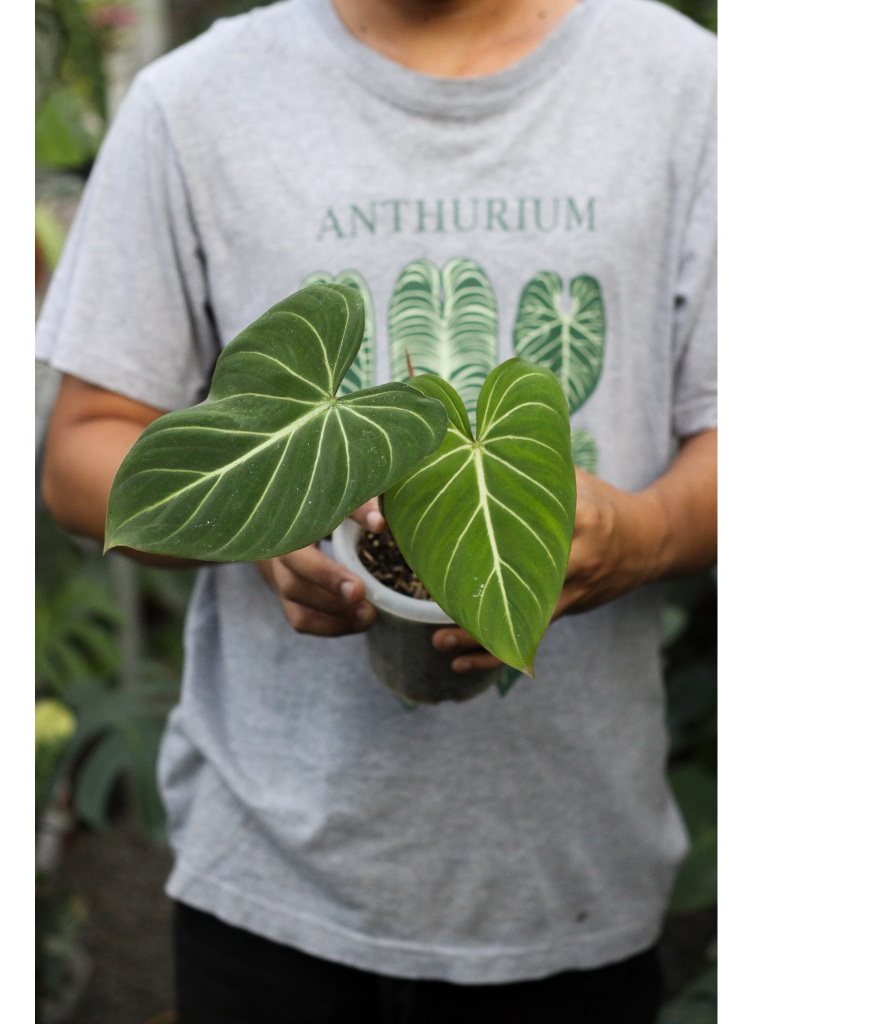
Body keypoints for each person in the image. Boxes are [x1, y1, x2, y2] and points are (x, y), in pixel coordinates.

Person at [37, 0, 717, 1019]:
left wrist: (641, 537)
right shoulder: (194, 101)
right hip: (272, 881)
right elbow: (85, 452)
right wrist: (267, 517)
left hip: (573, 880)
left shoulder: (692, 87)